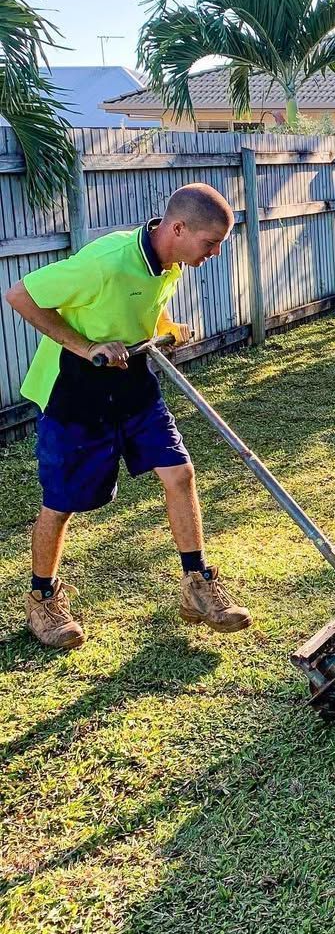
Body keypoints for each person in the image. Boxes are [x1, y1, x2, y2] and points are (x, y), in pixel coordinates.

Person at [3, 182, 253, 649]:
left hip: (134, 387)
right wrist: (86, 346)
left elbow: (141, 307)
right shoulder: (105, 260)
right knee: (61, 506)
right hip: (75, 395)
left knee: (179, 473)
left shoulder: (172, 261)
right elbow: (20, 294)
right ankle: (42, 600)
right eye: (210, 243)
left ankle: (197, 584)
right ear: (178, 228)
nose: (215, 253)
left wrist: (165, 328)